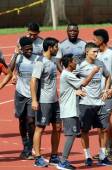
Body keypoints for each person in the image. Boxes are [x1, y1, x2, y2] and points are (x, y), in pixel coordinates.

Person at [57, 54, 100, 170]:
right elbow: (84, 83)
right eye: (74, 61)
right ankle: (63, 161)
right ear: (69, 63)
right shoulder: (67, 74)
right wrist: (94, 72)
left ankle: (63, 160)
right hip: (69, 111)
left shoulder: (67, 74)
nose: (76, 63)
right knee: (71, 136)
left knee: (72, 135)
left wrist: (76, 92)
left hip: (71, 110)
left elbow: (71, 89)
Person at [75, 42, 111, 166]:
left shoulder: (100, 63)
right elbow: (70, 79)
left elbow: (108, 76)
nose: (97, 54)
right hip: (85, 103)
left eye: (97, 51)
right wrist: (77, 90)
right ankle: (87, 156)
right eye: (94, 52)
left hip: (100, 102)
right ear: (87, 52)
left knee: (103, 128)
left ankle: (102, 155)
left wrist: (106, 90)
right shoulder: (80, 65)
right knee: (84, 130)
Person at [4, 37, 38, 160]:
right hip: (20, 94)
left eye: (31, 48)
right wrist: (15, 54)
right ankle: (25, 145)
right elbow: (9, 70)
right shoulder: (18, 57)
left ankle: (32, 147)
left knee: (31, 120)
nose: (30, 51)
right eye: (27, 49)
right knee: (22, 121)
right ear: (22, 49)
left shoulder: (38, 58)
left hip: (32, 95)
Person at [30, 37, 61, 167]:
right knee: (40, 128)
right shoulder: (40, 62)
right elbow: (33, 81)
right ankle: (37, 157)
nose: (57, 49)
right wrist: (34, 100)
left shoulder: (53, 61)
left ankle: (54, 156)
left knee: (58, 127)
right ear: (50, 47)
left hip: (55, 101)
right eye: (56, 47)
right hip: (44, 101)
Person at [94, 29, 112, 162]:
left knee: (104, 122)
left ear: (101, 40)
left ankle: (107, 151)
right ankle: (104, 149)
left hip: (108, 93)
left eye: (95, 39)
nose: (93, 41)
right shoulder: (93, 54)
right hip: (95, 93)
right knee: (101, 122)